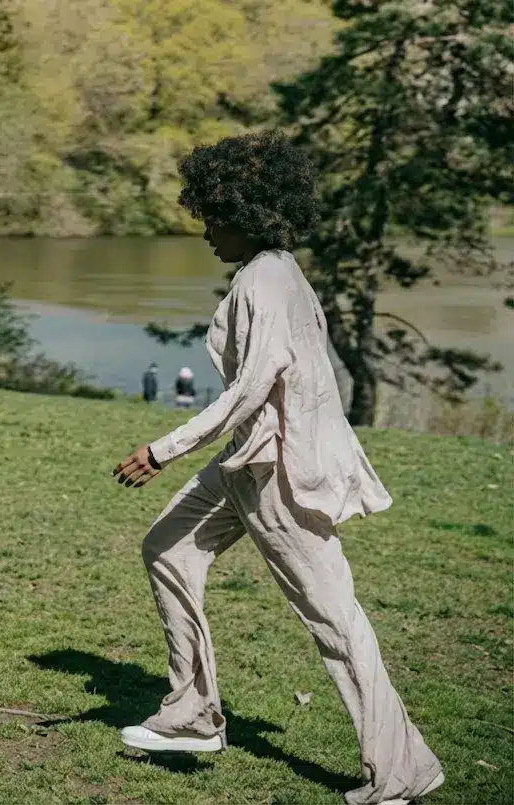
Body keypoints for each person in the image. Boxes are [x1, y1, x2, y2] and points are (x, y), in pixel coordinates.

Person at [112, 132, 443, 805]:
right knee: (168, 548)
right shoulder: (272, 270)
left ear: (247, 212)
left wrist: (163, 448)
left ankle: (403, 770)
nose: (207, 231)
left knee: (335, 620)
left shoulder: (266, 277)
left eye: (214, 217)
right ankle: (192, 714)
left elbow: (250, 389)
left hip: (279, 473)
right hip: (246, 461)